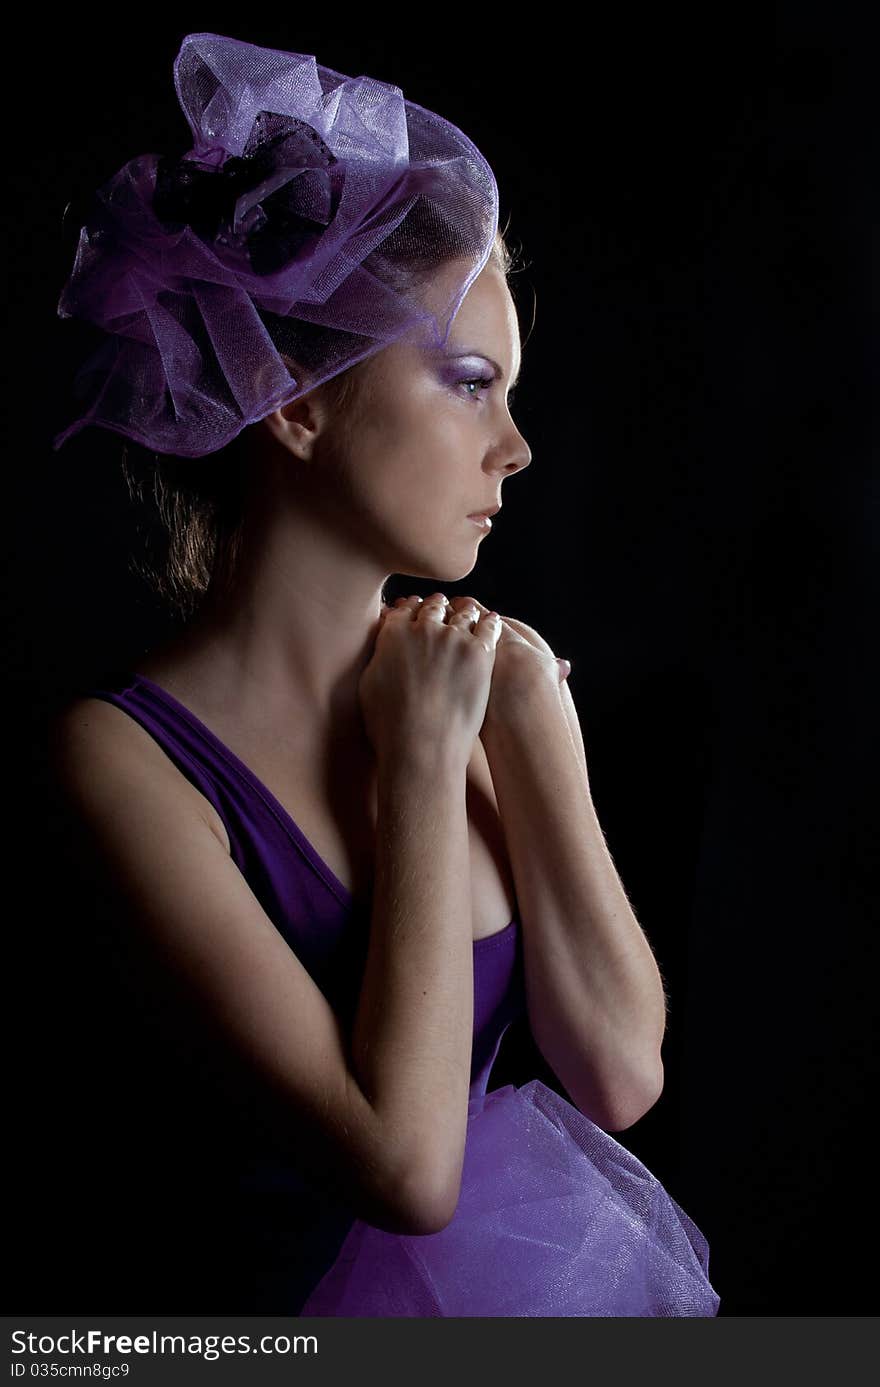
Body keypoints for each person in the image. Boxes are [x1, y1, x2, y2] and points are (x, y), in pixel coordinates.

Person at [47, 33, 721, 1315]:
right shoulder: (119, 759)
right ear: (291, 399)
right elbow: (406, 1170)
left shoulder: (471, 681)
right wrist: (419, 768)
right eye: (469, 387)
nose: (514, 449)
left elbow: (621, 1073)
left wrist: (532, 729)